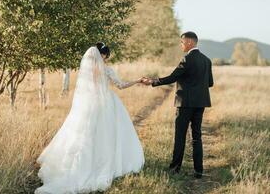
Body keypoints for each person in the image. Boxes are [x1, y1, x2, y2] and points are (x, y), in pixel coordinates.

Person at [35, 43, 145, 194]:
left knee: (82, 135)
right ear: (103, 55)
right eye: (106, 56)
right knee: (107, 136)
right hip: (106, 105)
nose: (106, 59)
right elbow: (121, 85)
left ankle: (74, 166)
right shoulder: (106, 70)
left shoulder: (86, 71)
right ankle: (106, 164)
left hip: (87, 106)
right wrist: (138, 80)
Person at [142, 32, 214, 178]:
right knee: (197, 136)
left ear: (189, 42)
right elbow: (210, 83)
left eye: (181, 42)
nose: (181, 45)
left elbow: (173, 77)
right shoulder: (207, 60)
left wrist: (153, 82)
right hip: (200, 103)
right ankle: (198, 170)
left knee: (180, 136)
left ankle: (175, 168)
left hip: (185, 103)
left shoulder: (187, 59)